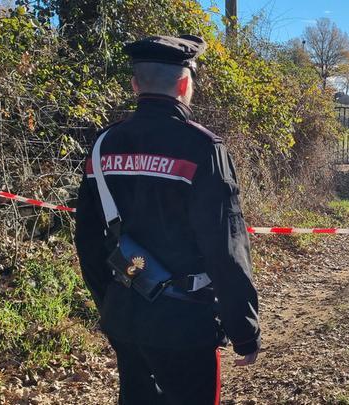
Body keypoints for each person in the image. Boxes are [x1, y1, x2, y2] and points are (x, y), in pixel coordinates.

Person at [74, 34, 261, 404]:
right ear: (184, 84)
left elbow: (88, 240)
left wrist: (109, 303)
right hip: (186, 323)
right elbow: (224, 246)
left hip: (125, 315)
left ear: (135, 85)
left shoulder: (103, 146)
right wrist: (244, 330)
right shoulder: (202, 148)